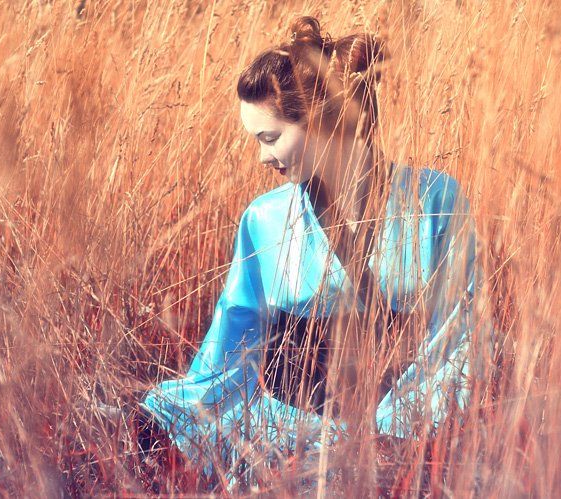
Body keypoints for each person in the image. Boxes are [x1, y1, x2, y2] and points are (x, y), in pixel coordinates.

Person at [137, 15, 489, 492]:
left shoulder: (436, 201)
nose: (263, 157)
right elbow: (229, 352)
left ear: (323, 119)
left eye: (270, 138)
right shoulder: (264, 219)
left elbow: (461, 335)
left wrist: (393, 433)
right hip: (291, 435)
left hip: (409, 434)